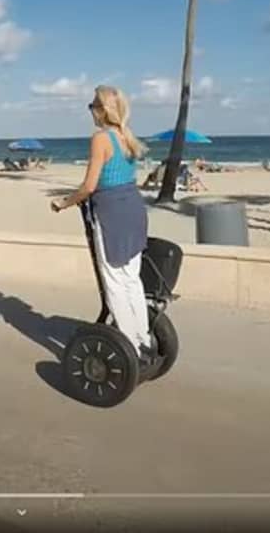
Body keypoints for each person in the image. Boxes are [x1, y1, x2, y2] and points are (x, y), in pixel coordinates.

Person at [50, 85, 154, 361]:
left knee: (114, 283)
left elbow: (89, 186)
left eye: (91, 106)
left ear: (101, 110)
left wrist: (63, 203)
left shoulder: (101, 139)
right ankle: (143, 338)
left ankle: (129, 347)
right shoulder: (126, 136)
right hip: (134, 209)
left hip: (112, 214)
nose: (90, 112)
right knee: (131, 279)